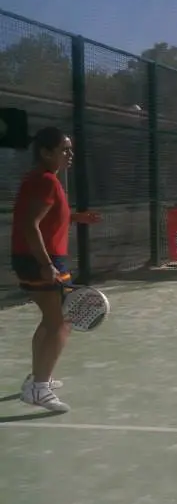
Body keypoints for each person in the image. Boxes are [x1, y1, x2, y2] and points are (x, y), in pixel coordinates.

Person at [10, 127, 100, 413]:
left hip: (42, 258)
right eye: (64, 149)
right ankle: (38, 388)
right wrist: (45, 264)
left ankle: (37, 377)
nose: (69, 154)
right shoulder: (46, 181)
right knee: (61, 321)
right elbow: (29, 225)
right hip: (42, 260)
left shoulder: (42, 180)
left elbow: (45, 218)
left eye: (70, 149)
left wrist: (75, 217)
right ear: (46, 153)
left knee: (53, 320)